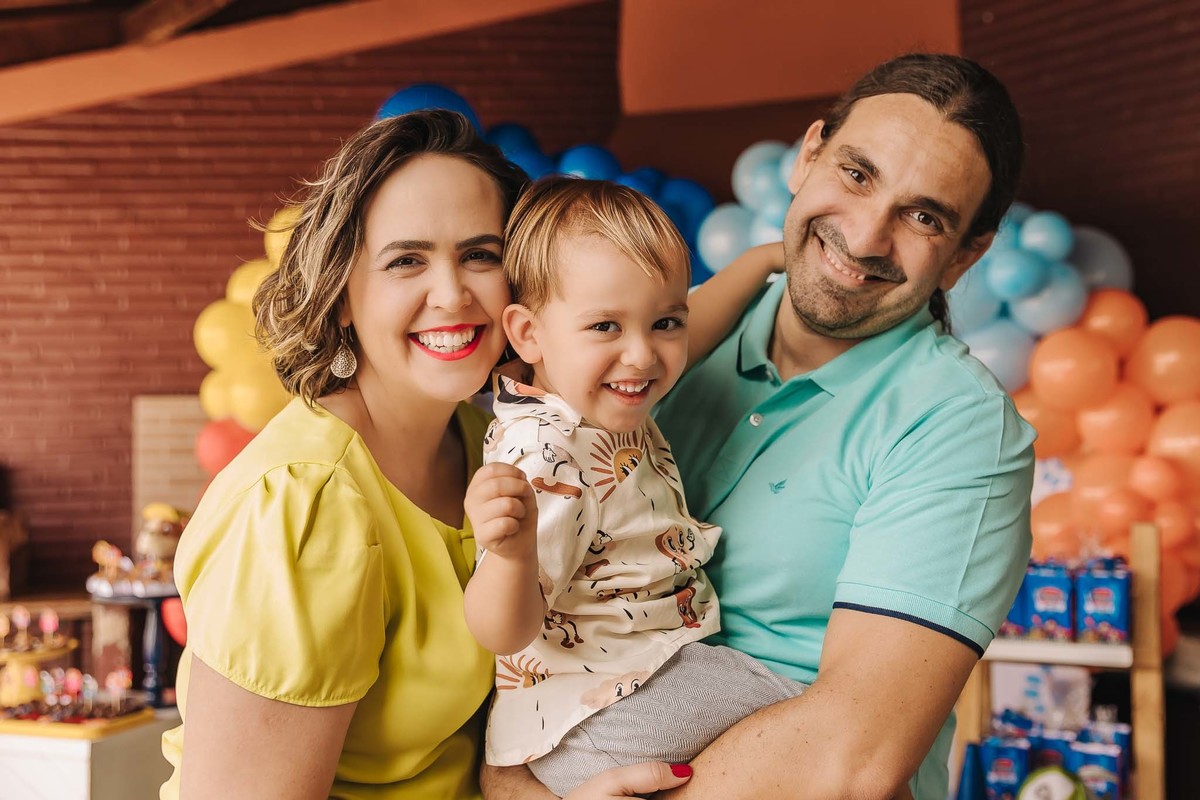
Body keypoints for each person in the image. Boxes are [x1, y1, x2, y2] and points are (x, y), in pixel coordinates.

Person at [481, 53, 1036, 800]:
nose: (866, 236)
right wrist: (511, 777)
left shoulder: (959, 426)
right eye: (857, 174)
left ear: (967, 255)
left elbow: (852, 759)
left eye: (923, 217)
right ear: (808, 156)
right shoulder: (654, 347)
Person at [159, 111, 692, 800]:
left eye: (480, 255)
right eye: (406, 260)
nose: (451, 294)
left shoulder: (490, 443)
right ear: (342, 294)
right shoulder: (303, 502)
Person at [462, 177, 793, 797]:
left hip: (612, 698)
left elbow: (697, 322)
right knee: (812, 721)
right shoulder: (548, 455)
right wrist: (509, 555)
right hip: (602, 715)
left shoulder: (594, 394)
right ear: (528, 333)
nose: (642, 355)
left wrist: (761, 261)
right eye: (605, 326)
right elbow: (501, 633)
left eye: (663, 322)